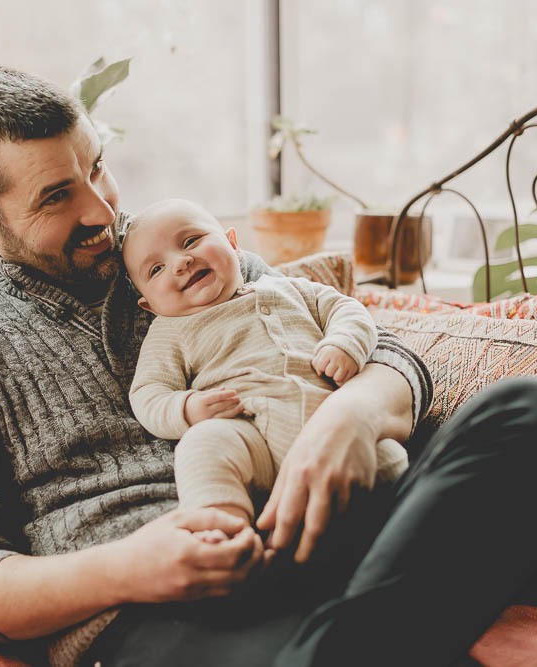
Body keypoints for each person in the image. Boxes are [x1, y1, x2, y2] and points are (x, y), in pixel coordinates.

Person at [0, 65, 537, 666]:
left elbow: (386, 355)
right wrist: (126, 567)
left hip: (332, 528)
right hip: (160, 616)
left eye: (96, 165)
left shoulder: (192, 258)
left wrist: (352, 414)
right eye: (56, 196)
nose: (102, 208)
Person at [124, 198, 408, 525]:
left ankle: (391, 524)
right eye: (156, 269)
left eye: (191, 241)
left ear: (233, 244)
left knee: (392, 459)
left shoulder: (288, 288)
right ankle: (222, 526)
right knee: (202, 446)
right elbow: (148, 391)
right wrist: (186, 409)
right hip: (253, 437)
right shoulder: (169, 331)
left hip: (335, 424)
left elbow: (346, 308)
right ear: (149, 305)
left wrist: (344, 343)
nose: (181, 262)